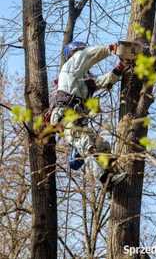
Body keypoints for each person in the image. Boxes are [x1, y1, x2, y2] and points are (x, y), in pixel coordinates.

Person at [50, 41, 127, 188]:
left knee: (102, 146)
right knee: (86, 143)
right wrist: (110, 49)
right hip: (65, 116)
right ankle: (105, 179)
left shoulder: (84, 80)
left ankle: (114, 174)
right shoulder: (70, 67)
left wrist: (120, 67)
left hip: (77, 118)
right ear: (74, 54)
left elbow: (103, 81)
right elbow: (87, 55)